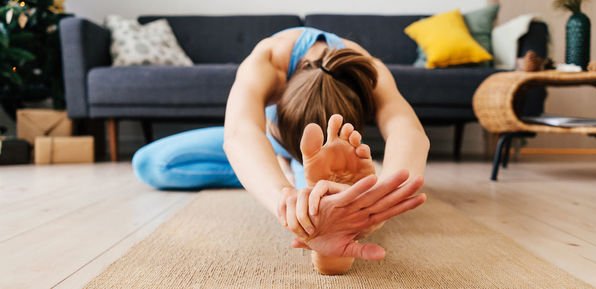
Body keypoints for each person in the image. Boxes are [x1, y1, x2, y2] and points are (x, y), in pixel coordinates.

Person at [132, 26, 430, 274]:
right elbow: (240, 132)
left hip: (323, 159)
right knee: (151, 164)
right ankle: (276, 167)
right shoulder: (269, 59)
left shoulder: (369, 70)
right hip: (268, 139)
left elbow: (408, 130)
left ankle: (304, 185)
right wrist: (283, 198)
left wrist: (383, 200)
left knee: (318, 206)